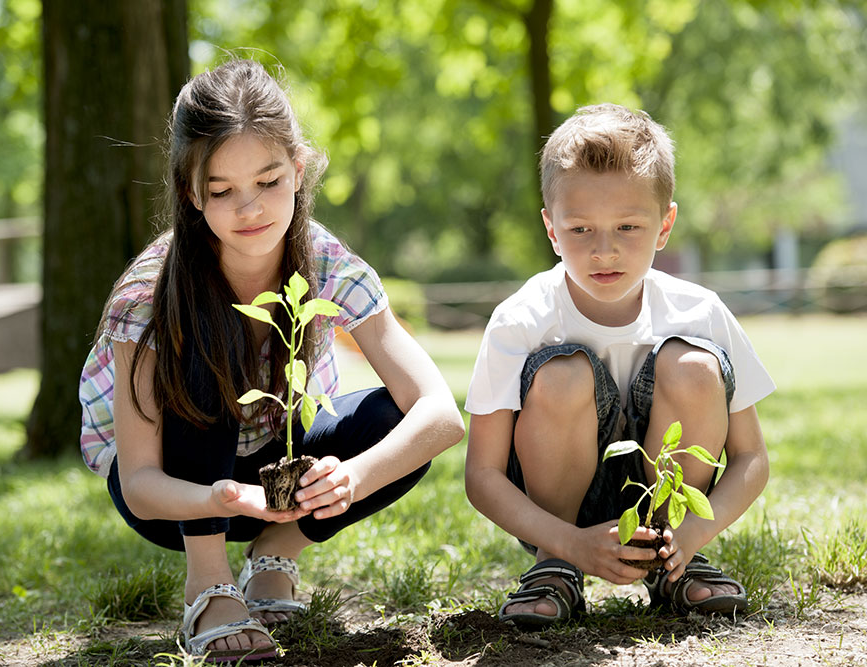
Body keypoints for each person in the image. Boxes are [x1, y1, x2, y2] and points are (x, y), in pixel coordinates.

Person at [79, 59, 464, 662]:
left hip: (282, 475)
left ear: (299, 170)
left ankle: (275, 553)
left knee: (397, 419)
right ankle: (208, 582)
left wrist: (351, 480)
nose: (250, 208)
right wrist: (219, 500)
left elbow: (442, 413)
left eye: (269, 180)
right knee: (209, 341)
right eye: (221, 190)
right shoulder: (150, 296)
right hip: (179, 492)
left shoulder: (326, 262)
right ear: (189, 191)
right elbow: (141, 484)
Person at [464, 103, 774, 627]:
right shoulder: (521, 318)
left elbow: (751, 458)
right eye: (581, 229)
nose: (604, 251)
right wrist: (567, 541)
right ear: (551, 228)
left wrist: (695, 530)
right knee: (562, 374)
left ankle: (673, 562)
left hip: (671, 508)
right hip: (559, 511)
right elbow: (482, 474)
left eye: (628, 226)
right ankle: (556, 567)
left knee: (694, 366)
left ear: (665, 224)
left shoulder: (700, 311)